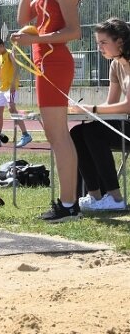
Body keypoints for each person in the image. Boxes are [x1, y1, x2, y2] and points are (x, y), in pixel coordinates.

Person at [11, 0, 87, 223]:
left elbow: (74, 31)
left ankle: (69, 205)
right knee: (55, 136)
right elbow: (23, 18)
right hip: (45, 64)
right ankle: (68, 203)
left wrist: (37, 41)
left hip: (55, 63)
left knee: (59, 136)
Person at [69, 18, 129, 211]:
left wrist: (91, 109)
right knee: (78, 132)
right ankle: (95, 196)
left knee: (94, 133)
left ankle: (115, 198)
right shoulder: (115, 65)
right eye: (98, 43)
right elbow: (111, 104)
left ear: (119, 41)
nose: (99, 48)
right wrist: (85, 112)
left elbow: (128, 106)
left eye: (103, 43)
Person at [0, 35, 32, 148]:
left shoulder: (10, 54)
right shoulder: (0, 56)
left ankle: (26, 135)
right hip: (2, 89)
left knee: (12, 109)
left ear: (1, 46)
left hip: (11, 88)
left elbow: (16, 69)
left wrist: (14, 84)